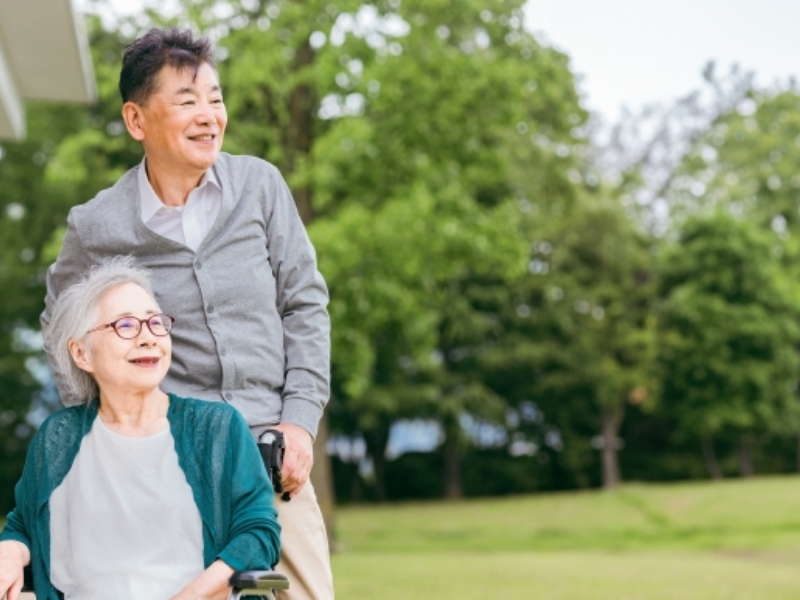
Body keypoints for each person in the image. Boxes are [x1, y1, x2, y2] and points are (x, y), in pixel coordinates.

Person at [40, 28, 333, 599]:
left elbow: (305, 304)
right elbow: (62, 330)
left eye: (216, 99)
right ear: (136, 120)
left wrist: (298, 420)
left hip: (275, 464)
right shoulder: (97, 225)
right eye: (187, 100)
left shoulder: (260, 186)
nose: (209, 116)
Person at [0, 258, 281, 600]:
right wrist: (12, 553)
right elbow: (24, 524)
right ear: (81, 353)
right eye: (126, 326)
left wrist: (191, 596)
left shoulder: (217, 429)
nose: (149, 338)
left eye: (156, 323)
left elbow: (257, 534)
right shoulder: (58, 438)